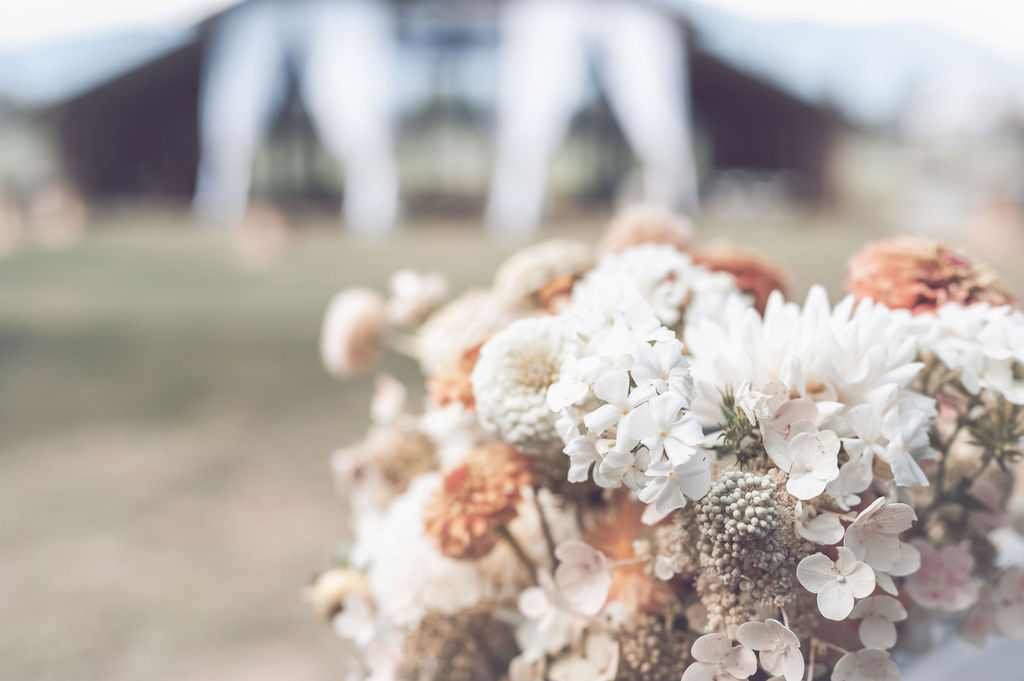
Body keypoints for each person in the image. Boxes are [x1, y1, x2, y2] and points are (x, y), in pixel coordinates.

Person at [486, 0, 698, 237]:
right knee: (531, 115)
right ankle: (514, 217)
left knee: (658, 116)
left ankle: (672, 216)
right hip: (551, 8)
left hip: (638, 7)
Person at [193, 0, 399, 236]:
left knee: (352, 105)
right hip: (254, 6)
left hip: (340, 6)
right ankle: (218, 205)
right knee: (234, 105)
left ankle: (374, 212)